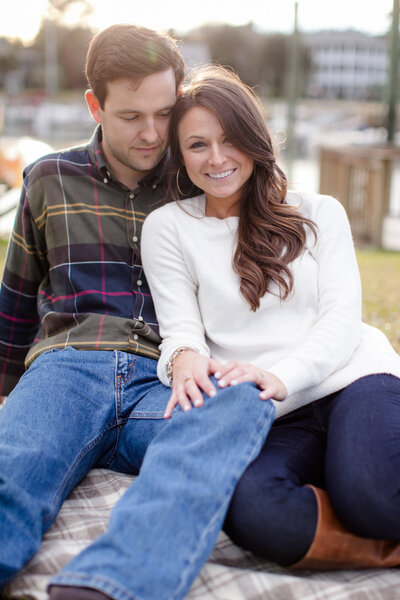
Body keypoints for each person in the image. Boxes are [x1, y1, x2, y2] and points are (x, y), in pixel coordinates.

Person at [0, 26, 276, 600]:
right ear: (94, 105)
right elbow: (15, 302)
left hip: (168, 380)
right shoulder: (48, 178)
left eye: (164, 112)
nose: (152, 134)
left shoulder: (201, 177)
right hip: (68, 369)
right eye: (130, 116)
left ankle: (111, 584)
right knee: (14, 470)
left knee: (240, 406)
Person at [140, 65, 400, 572]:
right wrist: (183, 359)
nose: (216, 159)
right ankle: (373, 530)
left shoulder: (318, 210)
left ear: (254, 138)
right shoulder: (167, 227)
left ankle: (361, 487)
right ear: (179, 154)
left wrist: (284, 375)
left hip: (354, 379)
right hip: (272, 409)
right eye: (197, 145)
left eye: (230, 139)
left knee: (372, 494)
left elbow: (342, 321)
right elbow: (181, 330)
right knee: (253, 511)